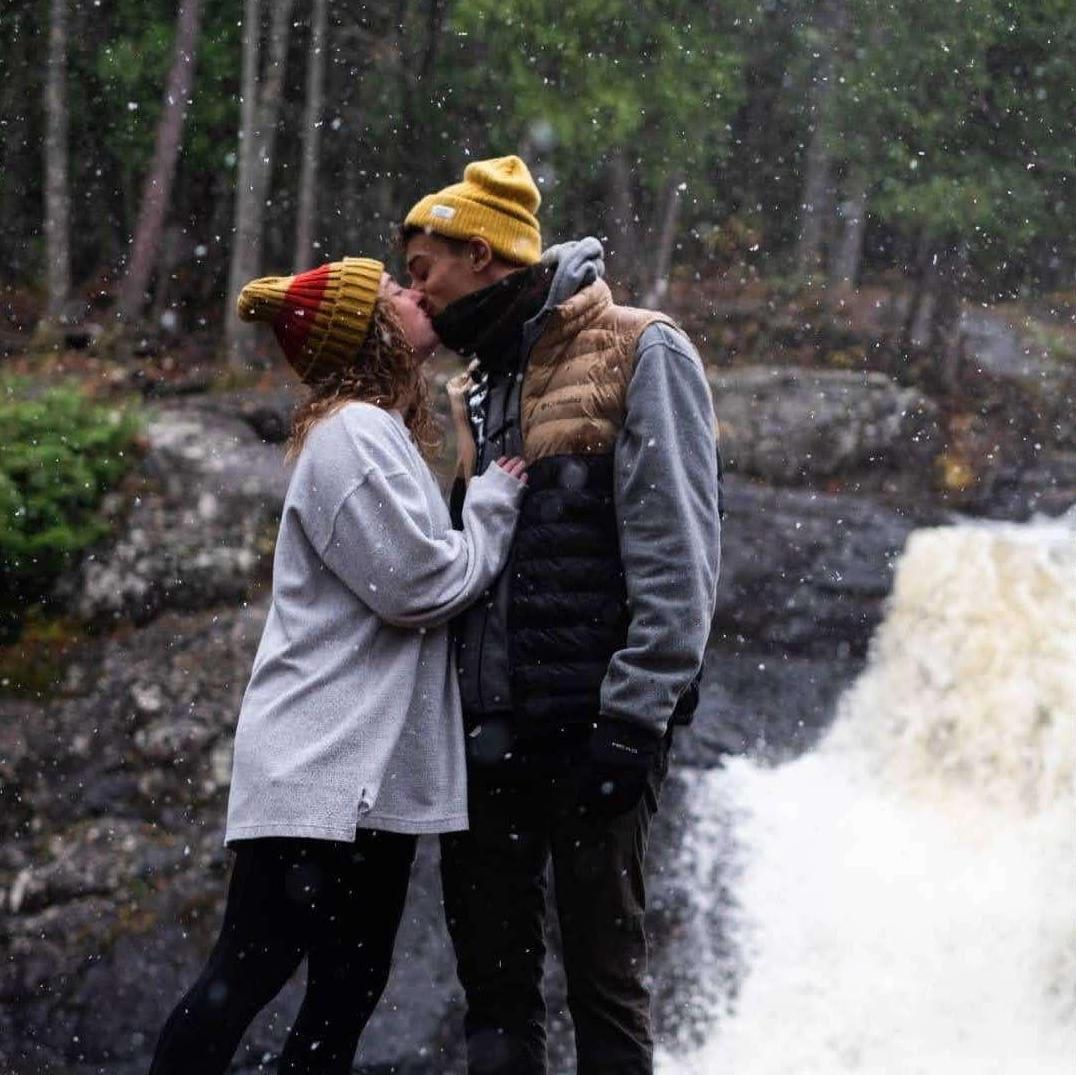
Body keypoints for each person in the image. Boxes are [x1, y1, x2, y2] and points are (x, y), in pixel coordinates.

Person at [147, 256, 527, 1075]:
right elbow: (420, 584)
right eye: (392, 291)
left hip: (358, 779)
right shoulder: (351, 433)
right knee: (247, 977)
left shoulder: (374, 430)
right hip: (317, 771)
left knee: (345, 987)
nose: (412, 292)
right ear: (367, 331)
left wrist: (468, 459)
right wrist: (495, 506)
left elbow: (420, 563)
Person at [402, 157, 722, 1074]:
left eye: (425, 269)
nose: (416, 290)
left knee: (604, 987)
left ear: (481, 254)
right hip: (486, 741)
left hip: (596, 731)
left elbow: (679, 549)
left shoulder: (640, 347)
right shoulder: (475, 385)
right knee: (495, 994)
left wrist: (633, 721)